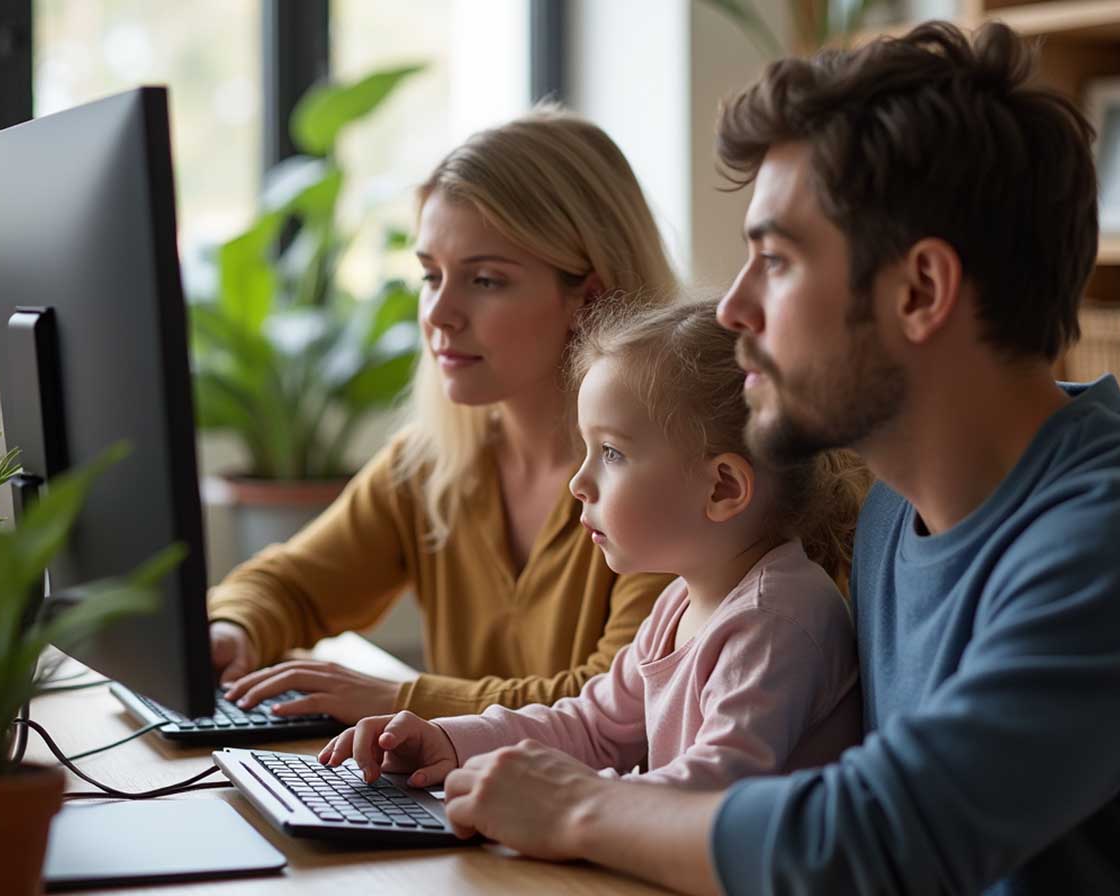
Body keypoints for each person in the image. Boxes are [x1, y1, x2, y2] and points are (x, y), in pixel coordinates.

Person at [428, 21, 1120, 896]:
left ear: (920, 291)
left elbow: (873, 837)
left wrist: (573, 806)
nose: (733, 309)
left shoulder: (1102, 540)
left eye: (776, 261)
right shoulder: (891, 516)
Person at [209, 106, 678, 723]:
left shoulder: (674, 471)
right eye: (431, 275)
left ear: (588, 297)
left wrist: (399, 700)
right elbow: (288, 584)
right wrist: (234, 630)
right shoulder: (432, 464)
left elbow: (620, 707)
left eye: (484, 281)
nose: (439, 314)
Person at [319, 300, 867, 789]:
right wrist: (451, 741)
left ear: (722, 487)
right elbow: (593, 725)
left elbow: (713, 788)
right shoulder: (682, 601)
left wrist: (560, 799)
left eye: (611, 453)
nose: (578, 483)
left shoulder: (776, 621)